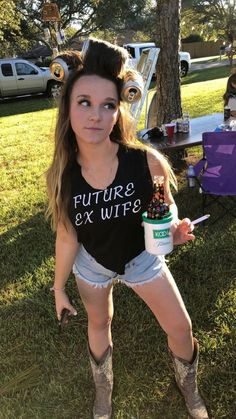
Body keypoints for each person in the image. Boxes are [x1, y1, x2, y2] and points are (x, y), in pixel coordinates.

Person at [46, 38, 209, 419]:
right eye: (84, 102)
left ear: (119, 111)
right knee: (99, 323)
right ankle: (103, 391)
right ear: (67, 108)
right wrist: (57, 288)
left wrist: (174, 229)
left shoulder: (144, 161)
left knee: (181, 328)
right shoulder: (64, 176)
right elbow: (68, 235)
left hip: (142, 258)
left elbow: (165, 209)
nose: (96, 115)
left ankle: (188, 386)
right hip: (93, 265)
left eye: (108, 105)